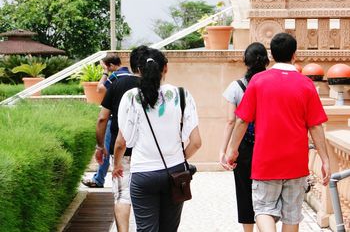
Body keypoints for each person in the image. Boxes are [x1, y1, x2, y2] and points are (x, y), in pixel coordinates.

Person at [225, 33, 331, 232]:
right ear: (294, 55)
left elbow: (241, 120)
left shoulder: (258, 81)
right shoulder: (306, 84)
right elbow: (315, 126)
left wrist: (232, 150)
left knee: (264, 210)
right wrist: (325, 159)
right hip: (295, 162)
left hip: (265, 161)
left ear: (271, 55)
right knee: (292, 215)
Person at [112, 47, 202, 231]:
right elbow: (196, 142)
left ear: (139, 70)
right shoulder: (182, 95)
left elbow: (122, 142)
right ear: (165, 68)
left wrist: (117, 165)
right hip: (175, 174)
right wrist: (179, 157)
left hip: (143, 174)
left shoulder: (131, 98)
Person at [94, 46, 146, 232]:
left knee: (123, 196)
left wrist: (100, 145)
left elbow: (102, 118)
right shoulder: (154, 87)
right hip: (147, 152)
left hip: (121, 148)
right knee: (145, 198)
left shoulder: (115, 83)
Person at [220, 42, 269, 232]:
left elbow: (231, 121)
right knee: (267, 191)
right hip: (267, 143)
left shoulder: (236, 86)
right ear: (266, 60)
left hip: (244, 146)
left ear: (245, 62)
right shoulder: (270, 83)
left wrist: (224, 150)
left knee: (244, 190)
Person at [83, 52, 131, 188]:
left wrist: (105, 73)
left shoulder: (115, 76)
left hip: (113, 118)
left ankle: (99, 179)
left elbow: (100, 89)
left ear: (110, 65)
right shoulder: (129, 75)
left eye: (105, 66)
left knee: (105, 148)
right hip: (128, 119)